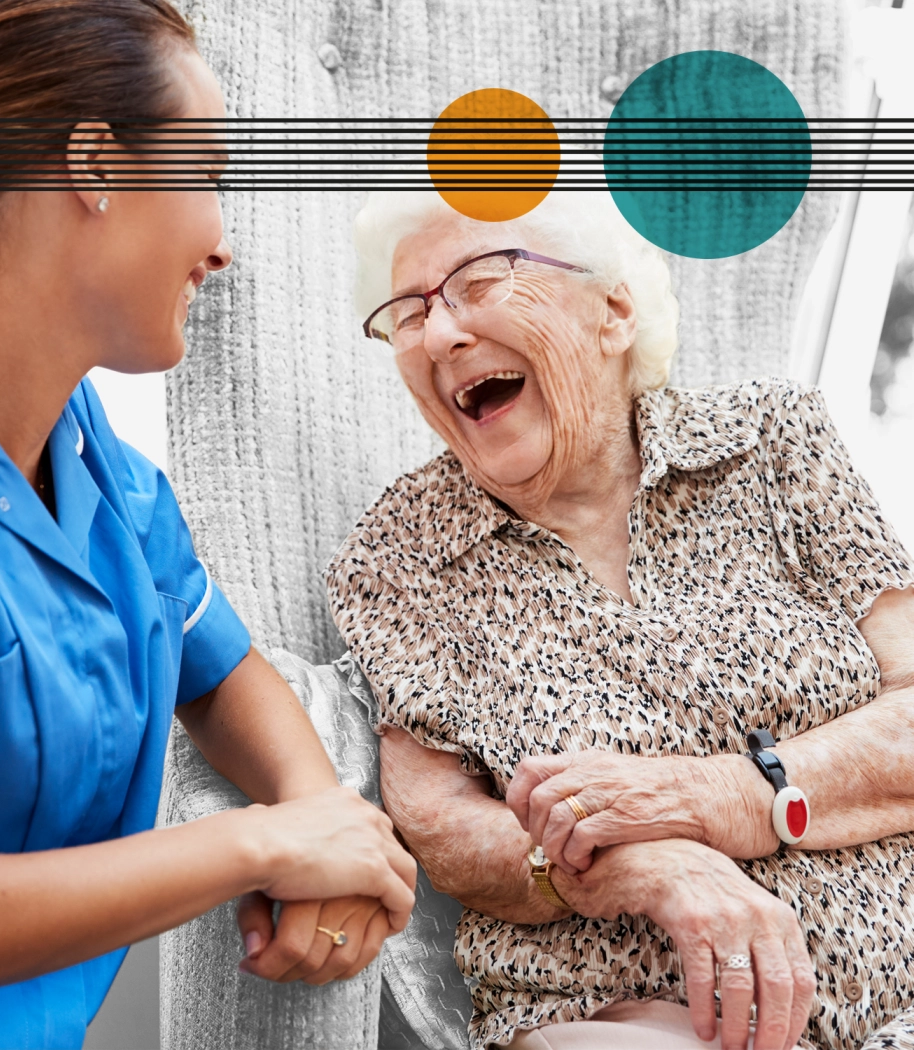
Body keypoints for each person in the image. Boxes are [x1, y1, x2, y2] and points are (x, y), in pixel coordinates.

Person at [0, 3, 416, 1047]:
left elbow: (222, 669)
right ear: (94, 167)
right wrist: (260, 848)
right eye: (206, 173)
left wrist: (327, 820)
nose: (225, 243)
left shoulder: (94, 465)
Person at [327, 188, 914, 1050]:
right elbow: (442, 824)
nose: (441, 334)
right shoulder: (400, 553)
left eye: (479, 281)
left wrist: (724, 799)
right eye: (408, 314)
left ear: (612, 310)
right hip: (628, 1007)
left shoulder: (772, 441)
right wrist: (645, 865)